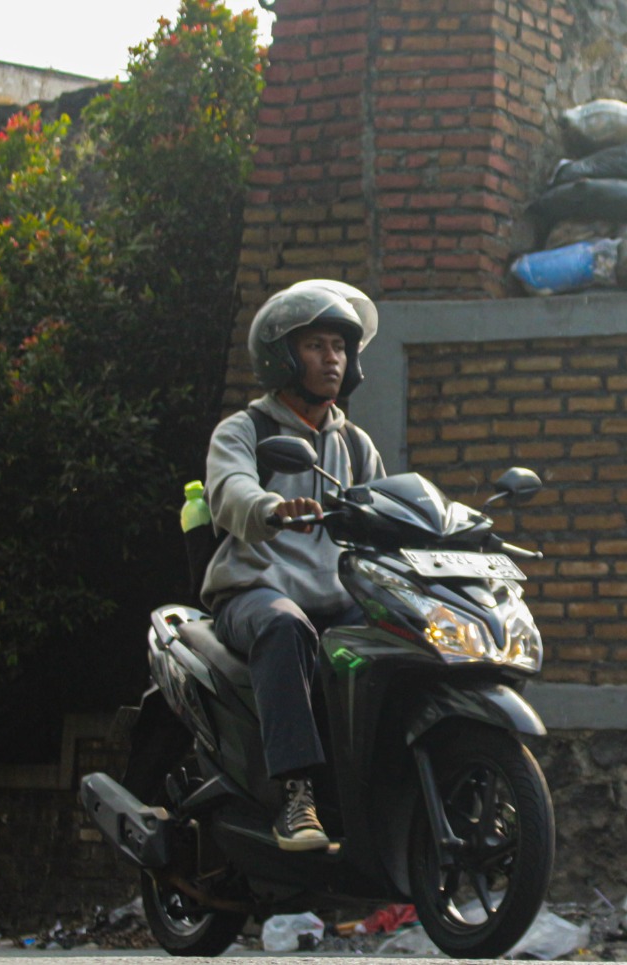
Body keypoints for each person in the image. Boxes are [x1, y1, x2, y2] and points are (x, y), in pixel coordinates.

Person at [201, 279, 386, 851]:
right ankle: (295, 795)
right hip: (253, 592)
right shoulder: (245, 431)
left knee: (405, 630)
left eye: (339, 346)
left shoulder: (356, 446)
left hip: (334, 596)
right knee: (286, 624)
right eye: (316, 346)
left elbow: (386, 513)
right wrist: (271, 508)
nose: (332, 358)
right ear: (283, 356)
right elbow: (229, 489)